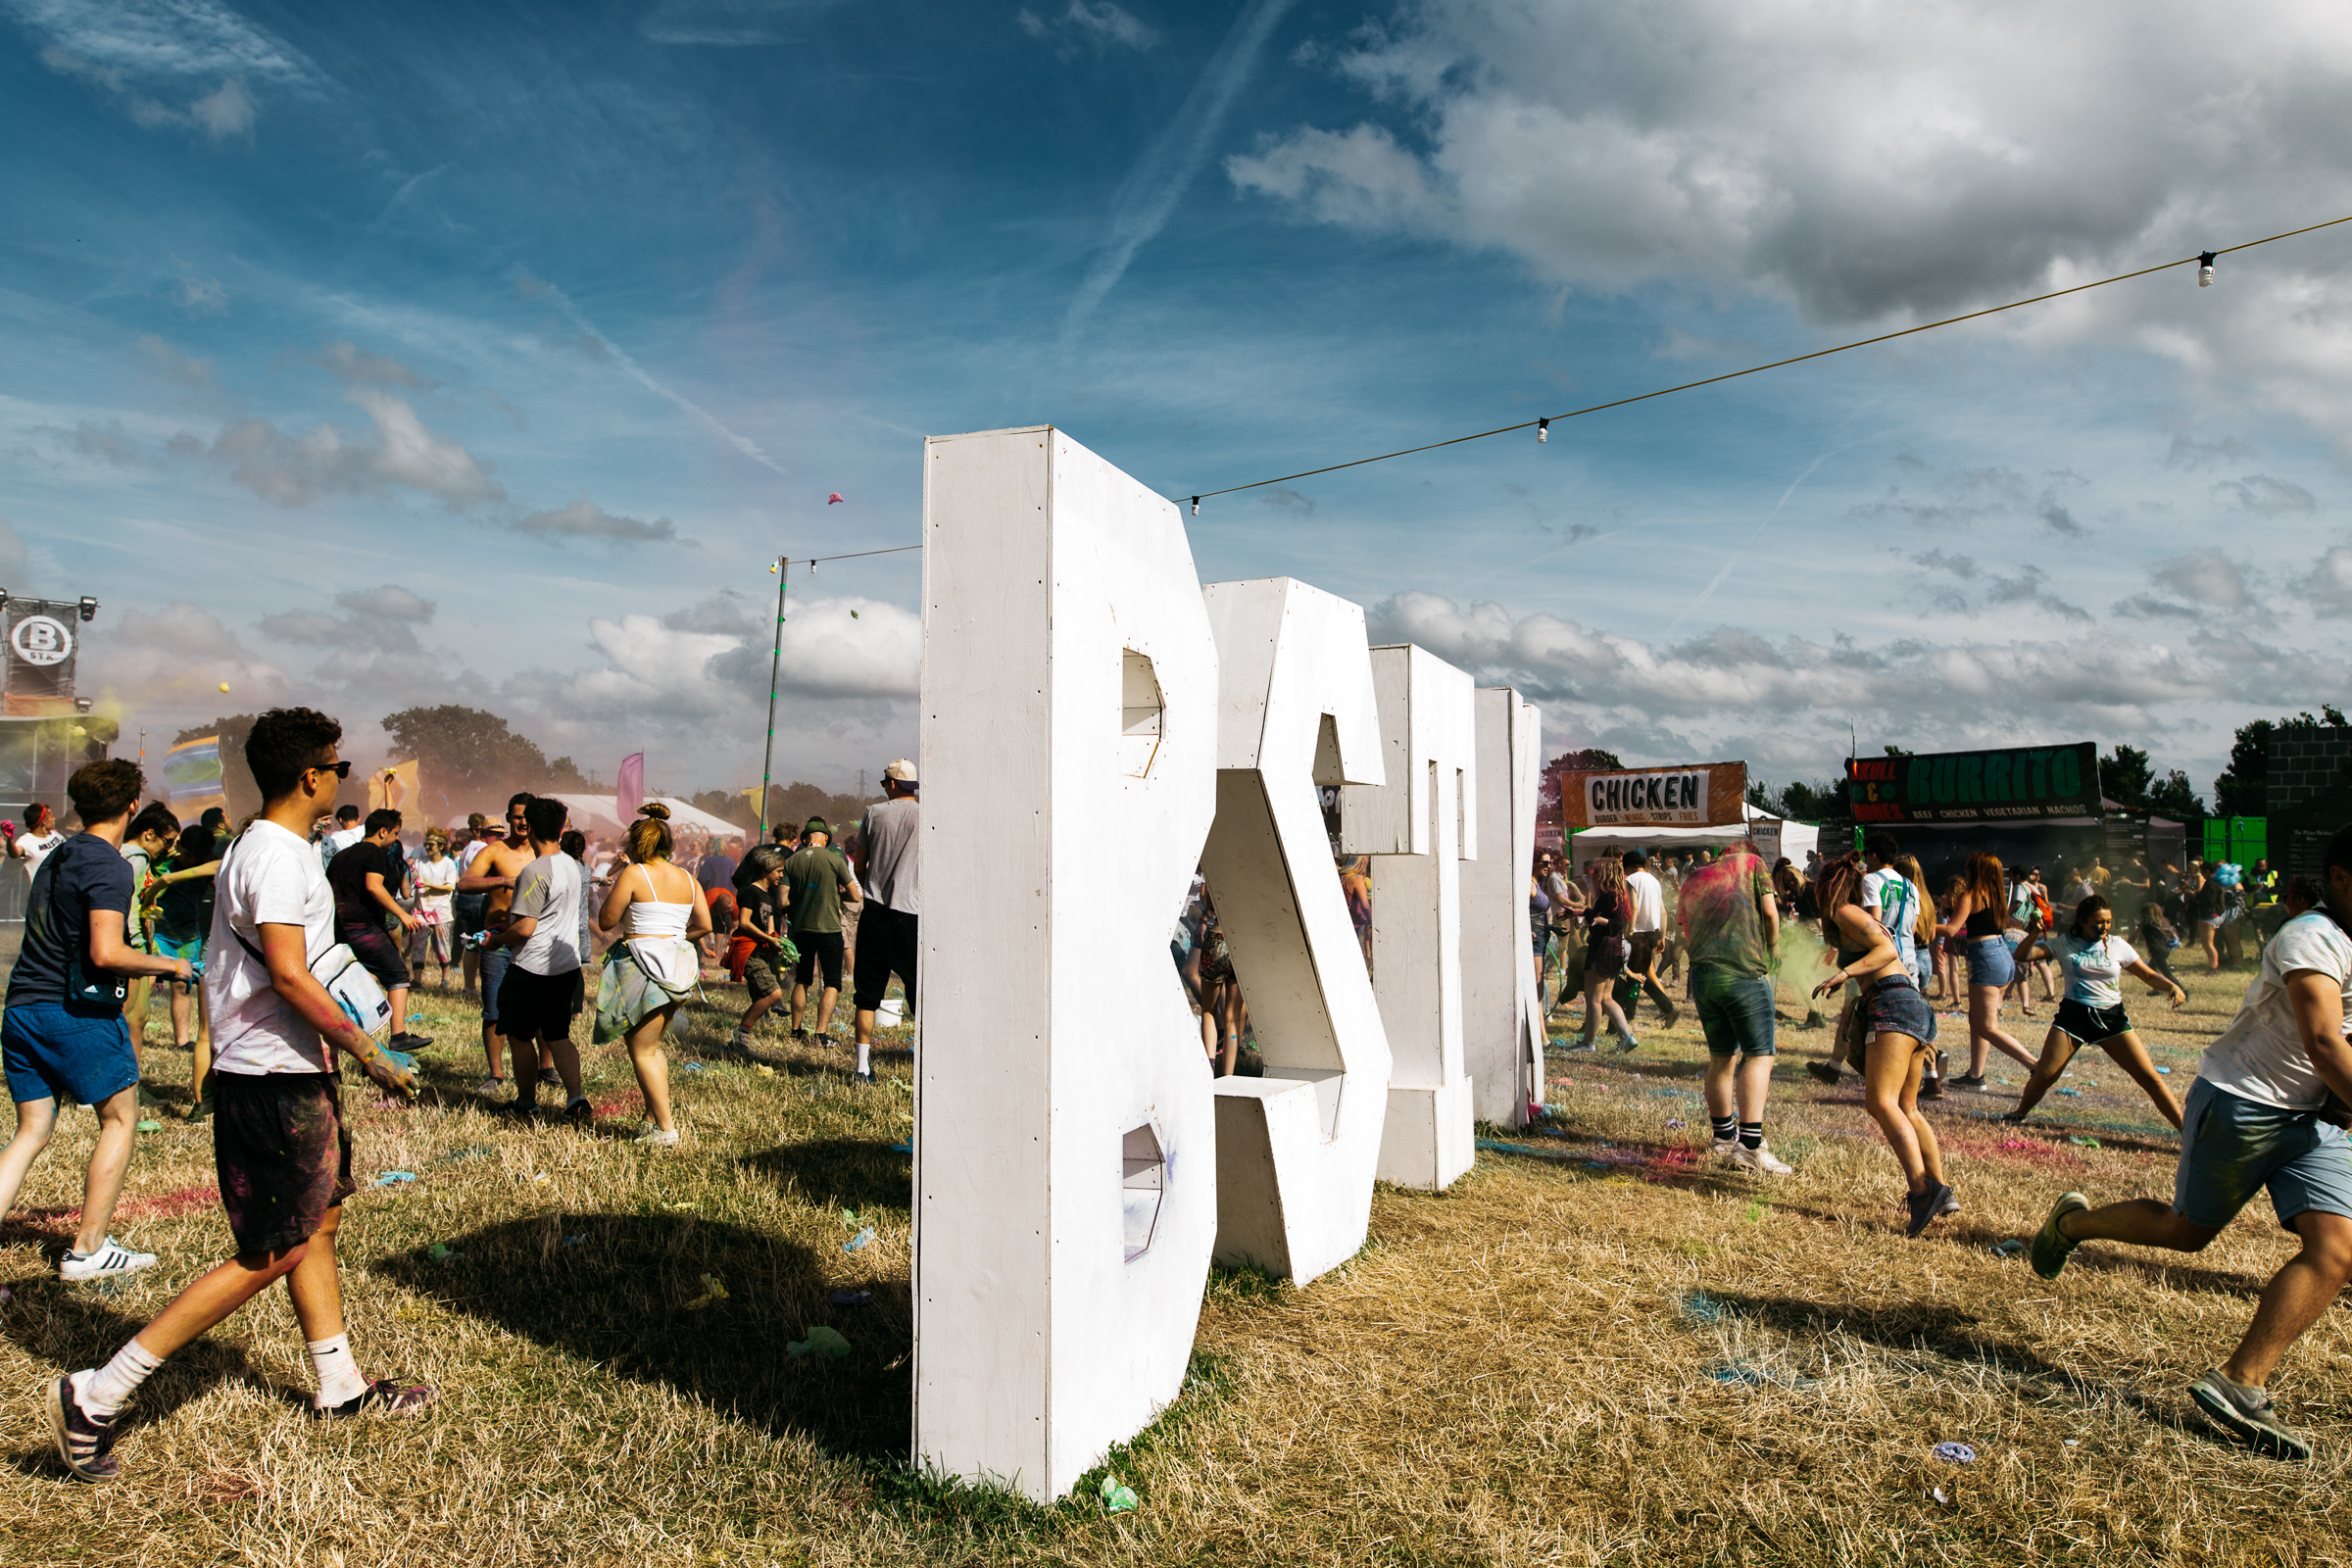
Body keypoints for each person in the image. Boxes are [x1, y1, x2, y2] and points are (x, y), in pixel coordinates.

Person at [43, 709, 431, 1484]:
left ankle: (339, 1387)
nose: (340, 775)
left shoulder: (263, 848)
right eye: (335, 763)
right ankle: (98, 1392)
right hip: (273, 1076)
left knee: (318, 1222)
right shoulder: (279, 859)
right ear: (310, 776)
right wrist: (369, 1050)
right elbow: (289, 973)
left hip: (284, 1070)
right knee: (274, 1247)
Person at [2026, 824, 2352, 1462]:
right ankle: (2074, 1224)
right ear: (2341, 879)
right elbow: (2322, 1039)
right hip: (2243, 1103)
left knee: (2338, 1251)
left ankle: (2241, 1382)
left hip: (2314, 1119)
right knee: (2187, 1232)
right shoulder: (2310, 937)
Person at [0, 760, 193, 1284]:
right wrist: (173, 964)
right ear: (133, 806)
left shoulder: (58, 854)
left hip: (21, 1009)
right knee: (120, 1118)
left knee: (31, 1131)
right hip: (74, 1012)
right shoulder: (107, 864)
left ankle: (89, 1248)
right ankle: (88, 1251)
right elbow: (106, 953)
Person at [1812, 853, 1950, 1235]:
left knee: (1881, 1102)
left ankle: (1922, 1191)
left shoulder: (1847, 911)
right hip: (1909, 1003)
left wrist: (1844, 974)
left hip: (1893, 1003)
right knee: (1906, 1105)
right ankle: (1941, 1190)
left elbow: (1888, 951)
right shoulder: (1850, 918)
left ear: (1828, 889)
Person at [2004, 895, 2189, 1127]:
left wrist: (2173, 986)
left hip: (2111, 1018)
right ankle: (2020, 1113)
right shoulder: (2064, 943)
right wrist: (2033, 934)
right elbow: (2021, 956)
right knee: (2046, 1074)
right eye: (2098, 922)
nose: (2104, 927)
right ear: (2081, 920)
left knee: (2150, 1078)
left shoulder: (2117, 945)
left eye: (2108, 922)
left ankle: (2185, 1128)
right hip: (2073, 1017)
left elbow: (2148, 975)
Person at [594, 804, 711, 1145]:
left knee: (642, 1050)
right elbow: (704, 925)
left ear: (637, 844)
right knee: (653, 1047)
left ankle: (665, 1129)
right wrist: (673, 940)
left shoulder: (635, 874)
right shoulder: (688, 880)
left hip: (641, 965)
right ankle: (652, 1119)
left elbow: (605, 921)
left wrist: (612, 880)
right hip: (677, 968)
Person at [1679, 838, 1790, 1173]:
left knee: (1722, 1057)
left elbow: (1685, 928)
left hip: (1703, 975)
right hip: (1742, 972)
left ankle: (1723, 1138)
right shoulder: (1753, 865)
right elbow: (1770, 913)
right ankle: (1751, 1146)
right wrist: (1773, 949)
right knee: (1759, 1055)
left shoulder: (1696, 875)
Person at [481, 798, 588, 1124]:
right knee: (558, 1035)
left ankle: (527, 1103)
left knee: (518, 1035)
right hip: (566, 966)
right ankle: (576, 1099)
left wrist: (496, 939)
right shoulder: (573, 865)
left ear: (531, 827)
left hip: (532, 968)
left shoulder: (535, 871)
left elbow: (525, 928)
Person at [326, 809, 429, 1053]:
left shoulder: (340, 856)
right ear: (382, 831)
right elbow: (374, 887)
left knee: (352, 981)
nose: (395, 839)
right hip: (363, 926)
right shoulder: (375, 853)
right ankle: (399, 1036)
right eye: (394, 833)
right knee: (398, 977)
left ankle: (350, 1040)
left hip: (338, 929)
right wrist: (403, 914)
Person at [456, 794, 536, 1099]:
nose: (523, 822)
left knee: (538, 1008)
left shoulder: (542, 852)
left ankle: (545, 1068)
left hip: (533, 939)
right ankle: (496, 1074)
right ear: (508, 818)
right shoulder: (495, 850)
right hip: (498, 937)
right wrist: (503, 880)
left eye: (527, 816)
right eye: (517, 816)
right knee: (493, 1008)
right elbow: (465, 883)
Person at [1935, 852, 2035, 1087]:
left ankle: (2036, 1066)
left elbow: (1951, 930)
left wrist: (1920, 924)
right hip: (2000, 955)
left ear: (1974, 870)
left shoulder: (1971, 895)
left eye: (1968, 867)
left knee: (1987, 1026)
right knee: (1978, 1019)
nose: (1966, 871)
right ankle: (1975, 1075)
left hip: (1986, 957)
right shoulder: (1996, 894)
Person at [850, 760, 918, 1085]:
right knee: (919, 990)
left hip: (876, 912)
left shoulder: (874, 814)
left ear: (891, 784)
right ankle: (925, 1059)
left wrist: (872, 884)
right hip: (912, 912)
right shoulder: (925, 816)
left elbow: (860, 865)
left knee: (867, 993)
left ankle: (862, 1067)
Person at [148, 822, 220, 1114]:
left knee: (183, 985)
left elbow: (219, 866)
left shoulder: (203, 866)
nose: (189, 860)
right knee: (155, 980)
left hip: (189, 934)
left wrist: (177, 876)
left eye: (195, 857)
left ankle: (181, 1040)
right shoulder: (161, 861)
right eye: (186, 855)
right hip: (162, 932)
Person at [782, 816, 861, 1046]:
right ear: (825, 837)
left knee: (802, 979)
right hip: (829, 929)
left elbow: (782, 900)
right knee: (833, 982)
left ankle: (796, 1030)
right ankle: (820, 1034)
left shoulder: (792, 861)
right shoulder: (834, 859)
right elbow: (854, 895)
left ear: (806, 838)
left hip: (802, 928)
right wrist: (836, 896)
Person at [119, 802, 179, 1077]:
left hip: (133, 945)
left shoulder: (128, 854)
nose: (168, 849)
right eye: (167, 842)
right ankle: (123, 1086)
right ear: (149, 834)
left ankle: (127, 1085)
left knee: (134, 1019)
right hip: (132, 947)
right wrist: (137, 949)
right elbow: (127, 905)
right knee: (131, 1020)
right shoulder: (137, 857)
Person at [1571, 856, 1639, 1054]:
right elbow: (1601, 915)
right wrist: (1578, 913)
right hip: (1614, 949)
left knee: (1593, 998)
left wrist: (1601, 921)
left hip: (1603, 948)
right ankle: (1627, 1037)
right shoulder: (1615, 894)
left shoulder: (1609, 895)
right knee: (1607, 998)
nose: (1592, 875)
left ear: (1605, 875)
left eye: (1596, 872)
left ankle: (1588, 1043)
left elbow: (1617, 924)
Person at [730, 847, 793, 1051]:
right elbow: (744, 923)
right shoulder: (750, 892)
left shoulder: (769, 897)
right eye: (778, 871)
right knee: (774, 993)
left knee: (764, 995)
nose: (781, 876)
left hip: (761, 952)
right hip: (748, 952)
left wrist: (780, 944)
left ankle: (739, 1036)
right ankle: (742, 1032)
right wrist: (767, 937)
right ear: (766, 870)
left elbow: (772, 928)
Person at [1612, 850, 1679, 1027]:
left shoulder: (1631, 880)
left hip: (1638, 933)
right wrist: (1662, 936)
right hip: (1653, 932)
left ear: (1631, 866)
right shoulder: (1654, 881)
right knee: (1641, 975)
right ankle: (1661, 1009)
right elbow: (1663, 911)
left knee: (1634, 977)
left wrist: (1630, 930)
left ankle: (1662, 1009)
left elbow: (1633, 907)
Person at [409, 828, 458, 989]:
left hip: (440, 911)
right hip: (420, 911)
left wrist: (429, 885)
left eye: (431, 844)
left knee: (442, 945)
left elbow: (450, 886)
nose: (428, 847)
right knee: (418, 944)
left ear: (441, 846)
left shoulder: (448, 864)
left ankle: (445, 980)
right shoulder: (419, 862)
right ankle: (417, 980)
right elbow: (411, 878)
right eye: (426, 844)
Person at [453, 813, 493, 999]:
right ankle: (481, 986)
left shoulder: (467, 848)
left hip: (465, 899)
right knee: (480, 941)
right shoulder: (484, 848)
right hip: (479, 898)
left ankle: (469, 986)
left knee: (471, 941)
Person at [316, 804, 362, 873]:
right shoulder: (366, 830)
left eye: (329, 819)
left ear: (340, 820)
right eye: (325, 819)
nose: (329, 822)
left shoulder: (334, 838)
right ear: (359, 818)